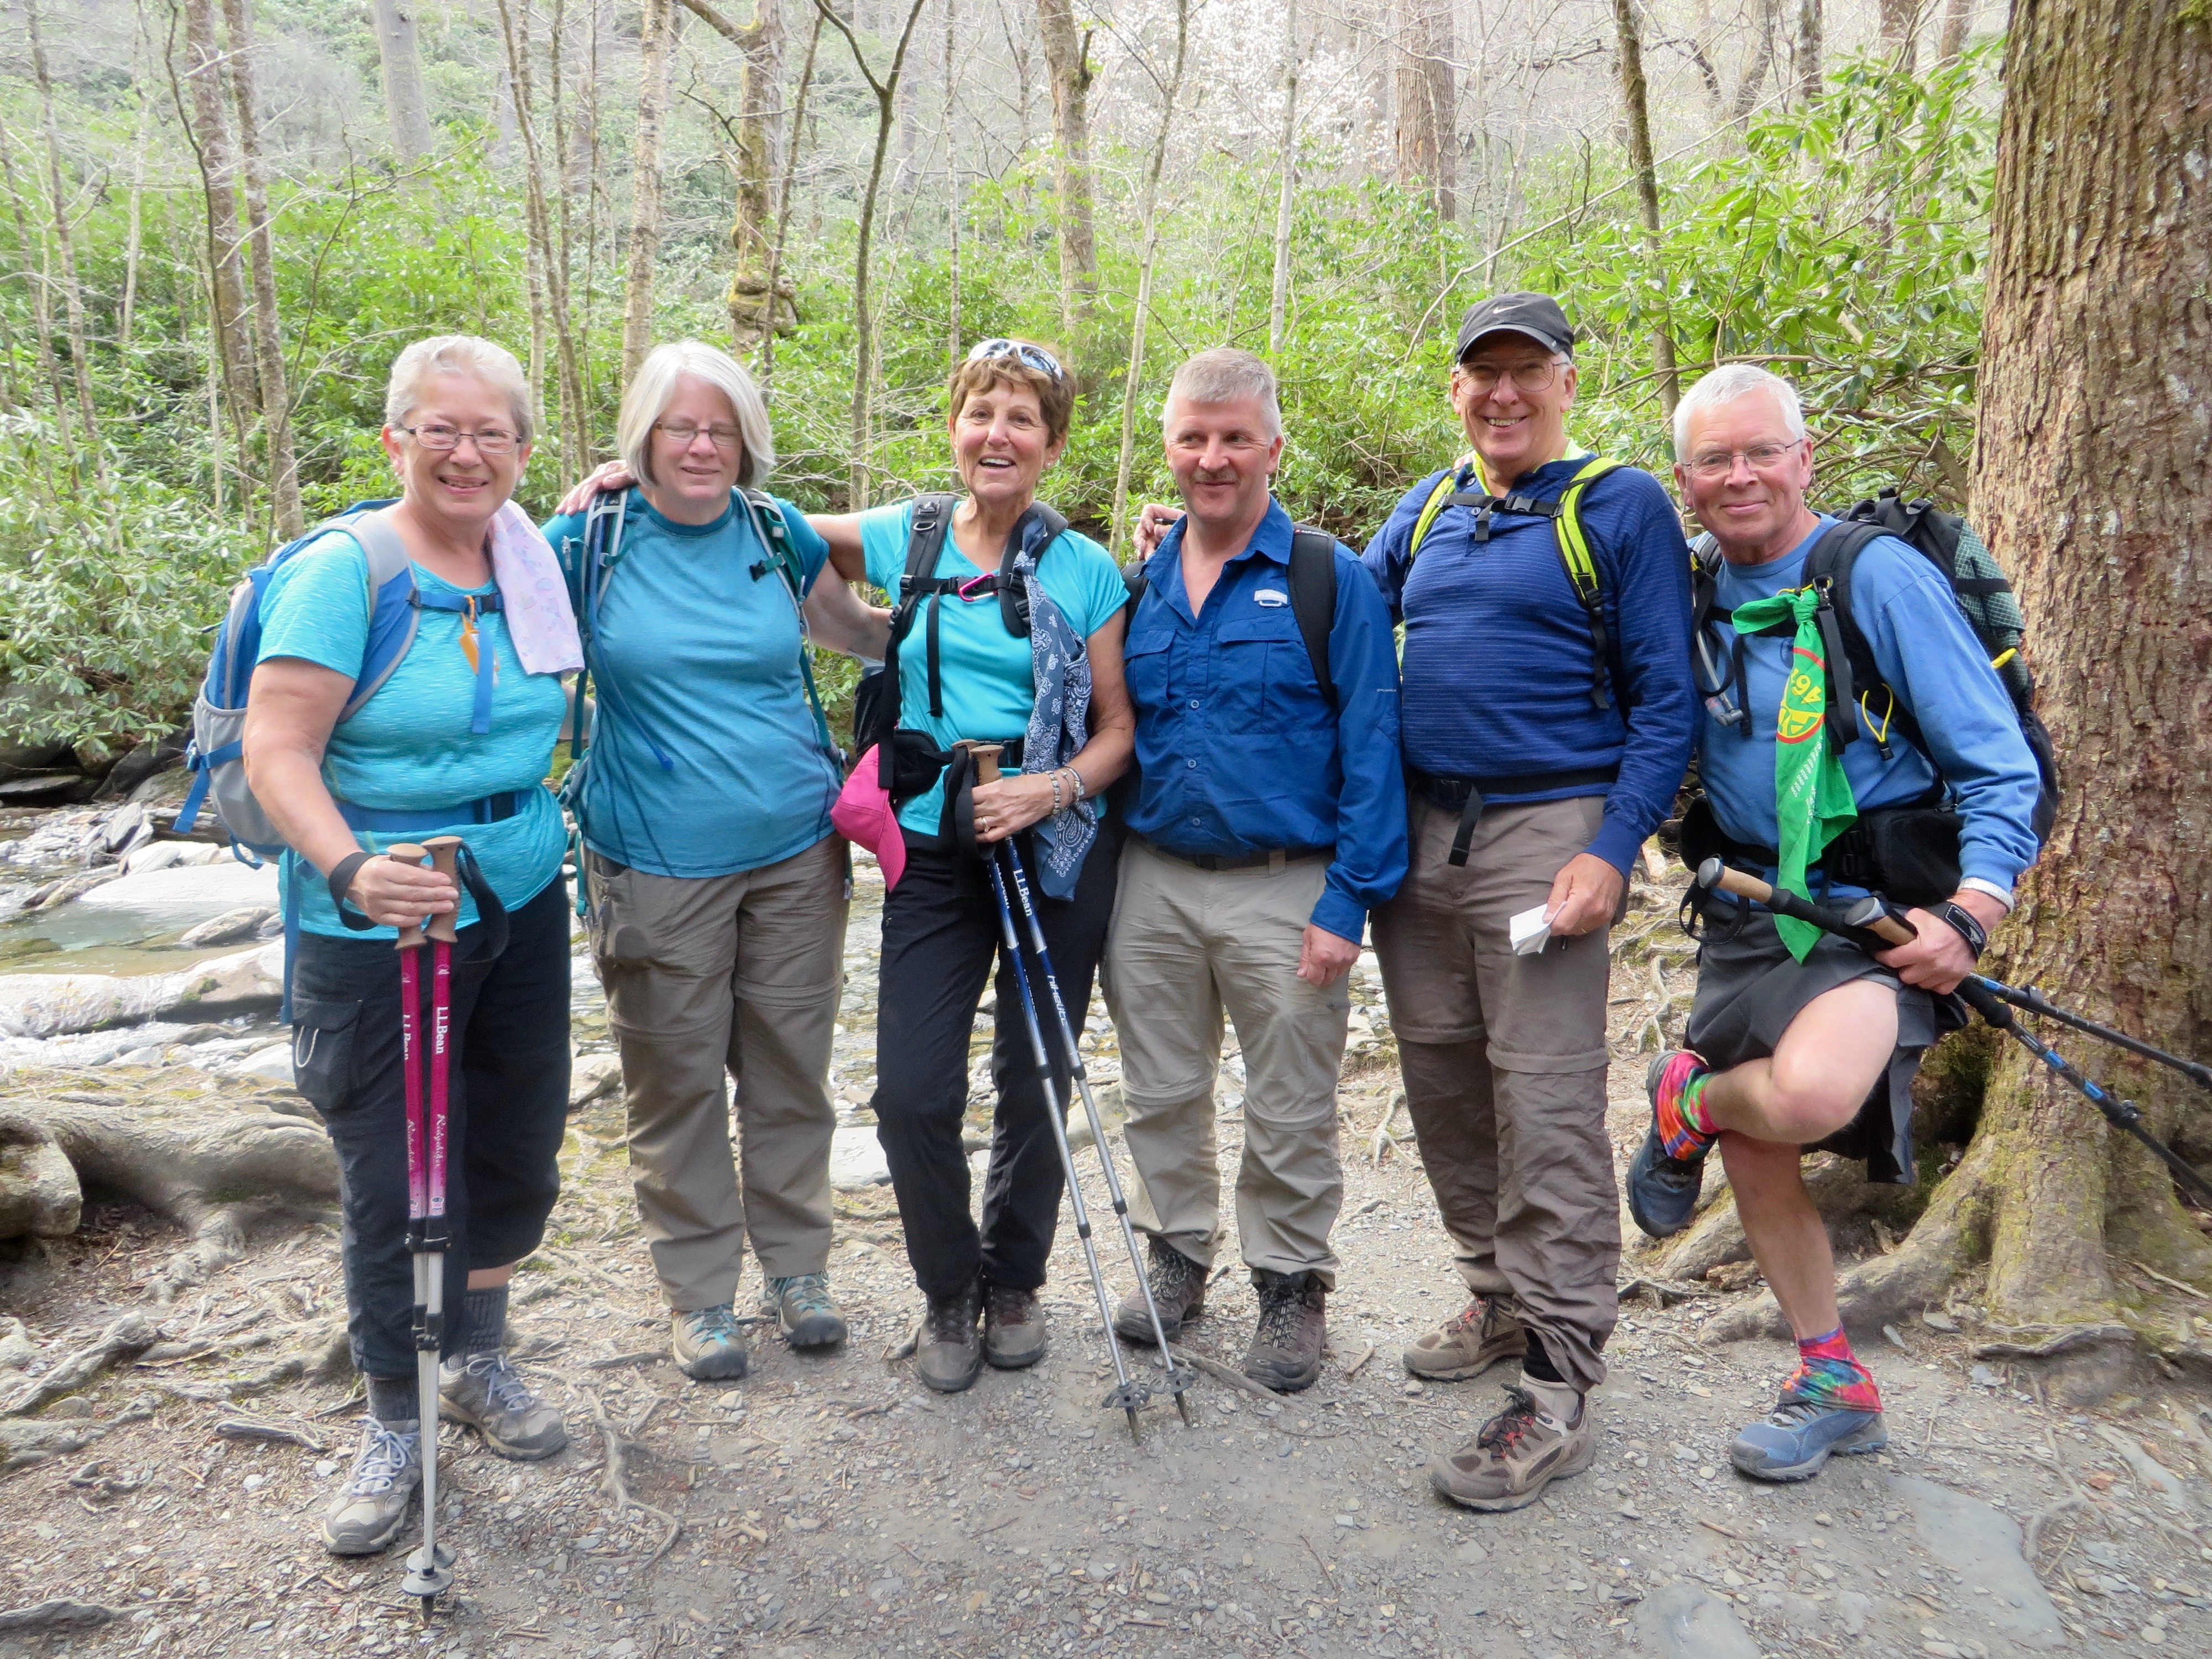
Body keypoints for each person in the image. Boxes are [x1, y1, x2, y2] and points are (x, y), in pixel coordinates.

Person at [1629, 364, 2041, 1481]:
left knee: (1806, 1097)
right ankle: (1831, 1375)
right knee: (1761, 1149)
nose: (1740, 476)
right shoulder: (1690, 588)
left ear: (1805, 457)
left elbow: (1999, 766)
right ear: (1684, 481)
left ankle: (1685, 1101)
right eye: (1714, 460)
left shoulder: (1878, 582)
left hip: (1876, 915)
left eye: (1762, 451)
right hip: (1747, 904)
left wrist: (1973, 909)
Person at [1361, 292, 1698, 1510]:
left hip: (1548, 830)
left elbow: (1668, 697)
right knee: (1442, 1071)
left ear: (1564, 382)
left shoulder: (1617, 506)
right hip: (1419, 832)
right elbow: (1344, 620)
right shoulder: (1432, 503)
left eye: (1524, 373)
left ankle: (1557, 1378)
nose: (1500, 395)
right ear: (1453, 389)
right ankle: (1496, 1298)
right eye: (1478, 375)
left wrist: (1613, 846)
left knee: (1545, 1093)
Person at [244, 335, 580, 1554]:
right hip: (373, 916)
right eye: (440, 429)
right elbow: (276, 749)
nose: (466, 452)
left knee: (513, 1148)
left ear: (523, 451)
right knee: (395, 1183)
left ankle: (480, 1359)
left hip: (516, 897)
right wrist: (346, 867)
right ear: (395, 439)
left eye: (491, 431)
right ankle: (394, 1415)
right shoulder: (348, 571)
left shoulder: (530, 560)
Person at [544, 340, 889, 1383]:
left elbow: (869, 638)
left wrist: (996, 615)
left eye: (721, 427)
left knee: (791, 1066)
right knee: (675, 1079)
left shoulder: (776, 533)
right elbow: (505, 653)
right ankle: (700, 1294)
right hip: (651, 858)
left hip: (797, 848)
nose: (701, 445)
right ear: (642, 434)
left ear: (747, 441)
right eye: (681, 426)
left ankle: (798, 1271)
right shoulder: (588, 538)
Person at [810, 338, 1135, 1393]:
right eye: (982, 412)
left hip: (1051, 839)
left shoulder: (1084, 568)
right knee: (911, 1091)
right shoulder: (902, 537)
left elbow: (1118, 732)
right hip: (931, 843)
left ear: (1050, 444)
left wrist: (1050, 789)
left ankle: (1014, 1282)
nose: (999, 434)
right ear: (954, 426)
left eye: (1023, 418)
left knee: (1038, 1075)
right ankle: (946, 1288)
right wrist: (641, 474)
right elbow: (760, 529)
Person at [1105, 349, 1406, 1393]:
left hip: (1290, 880)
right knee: (1161, 1089)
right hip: (1153, 877)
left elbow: (1374, 749)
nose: (1213, 457)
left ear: (1274, 447)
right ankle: (1177, 1258)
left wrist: (1347, 901)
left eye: (1235, 437)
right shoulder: (1137, 582)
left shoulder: (1330, 579)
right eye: (1193, 437)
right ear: (1169, 448)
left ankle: (1290, 1286)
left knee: (1289, 1101)